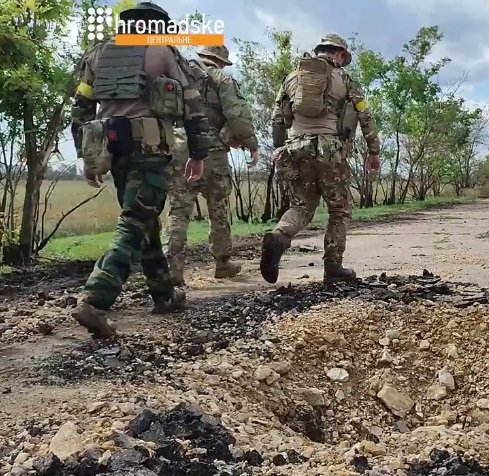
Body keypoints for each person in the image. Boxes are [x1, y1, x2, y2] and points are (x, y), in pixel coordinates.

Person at [69, 2, 211, 338]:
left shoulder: (97, 53)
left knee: (145, 219)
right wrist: (198, 152)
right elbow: (192, 104)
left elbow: (81, 107)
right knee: (136, 220)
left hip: (112, 149)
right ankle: (95, 300)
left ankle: (163, 294)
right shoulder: (163, 51)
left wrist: (86, 155)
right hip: (149, 149)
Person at [261, 34, 380, 285]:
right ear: (340, 54)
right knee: (339, 209)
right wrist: (373, 151)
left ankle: (279, 237)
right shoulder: (345, 80)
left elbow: (277, 119)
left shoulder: (291, 78)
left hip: (296, 148)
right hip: (329, 151)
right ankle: (333, 267)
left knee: (301, 206)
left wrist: (281, 149)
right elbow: (365, 115)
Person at [164, 45, 259, 286]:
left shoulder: (178, 74)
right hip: (212, 151)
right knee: (218, 209)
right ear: (221, 62)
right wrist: (251, 143)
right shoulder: (221, 78)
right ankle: (222, 263)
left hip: (179, 148)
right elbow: (237, 115)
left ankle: (172, 269)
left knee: (178, 210)